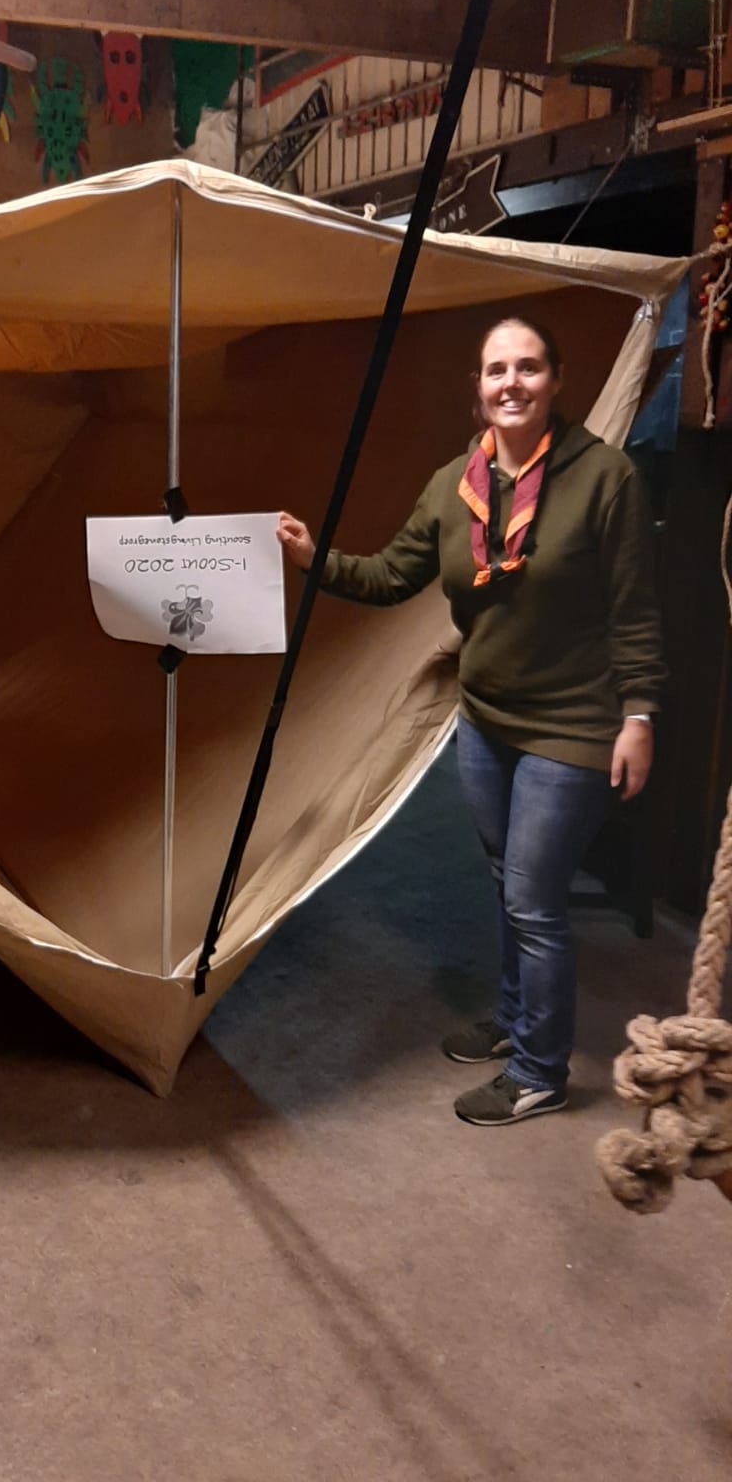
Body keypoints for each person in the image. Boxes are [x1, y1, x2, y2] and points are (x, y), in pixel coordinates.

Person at [277, 318, 665, 1126]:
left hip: (573, 723)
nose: (511, 383)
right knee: (508, 884)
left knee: (533, 898)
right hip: (486, 720)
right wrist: (315, 559)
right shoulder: (456, 483)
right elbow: (392, 576)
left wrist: (638, 715)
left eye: (528, 367)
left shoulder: (606, 478)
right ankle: (517, 1021)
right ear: (479, 388)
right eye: (497, 370)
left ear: (557, 380)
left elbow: (634, 611)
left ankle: (539, 1071)